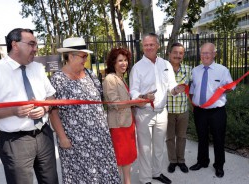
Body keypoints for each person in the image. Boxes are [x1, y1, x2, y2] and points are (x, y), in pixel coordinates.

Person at [0, 28, 59, 184]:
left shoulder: (37, 68)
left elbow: (51, 96)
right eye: (31, 44)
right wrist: (13, 111)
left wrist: (44, 108)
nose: (35, 49)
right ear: (15, 45)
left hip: (44, 135)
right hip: (15, 142)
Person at [49, 37, 121, 184]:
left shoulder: (89, 74)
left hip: (99, 136)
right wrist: (62, 137)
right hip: (75, 140)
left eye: (86, 56)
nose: (85, 59)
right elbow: (53, 111)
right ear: (70, 56)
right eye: (83, 56)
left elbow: (101, 99)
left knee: (105, 173)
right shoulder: (57, 79)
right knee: (81, 176)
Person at [129, 33, 185, 184]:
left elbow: (171, 86)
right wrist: (143, 96)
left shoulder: (165, 65)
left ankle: (156, 173)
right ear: (143, 47)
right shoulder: (137, 68)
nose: (148, 47)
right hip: (144, 112)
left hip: (161, 112)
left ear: (158, 45)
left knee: (159, 147)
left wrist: (176, 90)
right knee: (145, 148)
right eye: (146, 45)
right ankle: (145, 178)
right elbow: (133, 91)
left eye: (151, 44)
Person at [189, 42, 234, 178]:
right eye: (202, 53)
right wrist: (193, 104)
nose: (205, 55)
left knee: (218, 139)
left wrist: (222, 90)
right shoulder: (195, 71)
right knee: (201, 137)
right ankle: (202, 161)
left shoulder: (223, 70)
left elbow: (231, 87)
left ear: (214, 54)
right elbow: (192, 90)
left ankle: (219, 166)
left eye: (208, 52)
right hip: (200, 111)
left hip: (217, 111)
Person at [103, 48, 144, 184]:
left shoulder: (120, 78)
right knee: (119, 158)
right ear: (113, 63)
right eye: (120, 60)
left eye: (125, 60)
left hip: (127, 123)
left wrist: (142, 98)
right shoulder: (110, 78)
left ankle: (127, 181)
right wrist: (135, 101)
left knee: (127, 157)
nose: (124, 63)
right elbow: (114, 104)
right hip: (118, 125)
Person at [166, 43, 192, 174]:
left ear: (183, 55)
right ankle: (172, 161)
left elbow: (193, 86)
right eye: (175, 52)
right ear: (169, 54)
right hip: (168, 111)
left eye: (180, 53)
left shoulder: (188, 69)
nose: (177, 55)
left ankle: (181, 161)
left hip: (183, 110)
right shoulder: (163, 70)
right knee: (170, 137)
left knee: (181, 137)